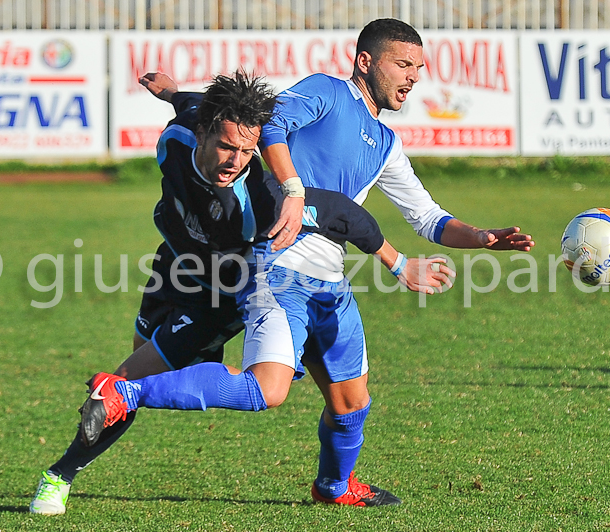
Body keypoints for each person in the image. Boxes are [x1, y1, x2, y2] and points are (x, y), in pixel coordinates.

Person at [76, 18, 534, 508]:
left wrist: (482, 237)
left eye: (419, 67)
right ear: (365, 62)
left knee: (352, 402)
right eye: (403, 64)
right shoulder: (328, 93)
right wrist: (292, 190)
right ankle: (125, 392)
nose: (413, 76)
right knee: (266, 389)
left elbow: (428, 217)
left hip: (329, 279)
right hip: (277, 265)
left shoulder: (385, 143)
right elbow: (268, 122)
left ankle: (334, 487)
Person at [29, 70, 446, 515]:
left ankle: (59, 474)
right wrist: (169, 90)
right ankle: (65, 471)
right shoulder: (178, 137)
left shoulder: (261, 197)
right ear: (205, 132)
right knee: (128, 377)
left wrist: (398, 263)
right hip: (172, 270)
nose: (236, 160)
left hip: (224, 294)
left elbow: (345, 214)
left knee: (131, 383)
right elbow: (188, 102)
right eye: (228, 147)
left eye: (249, 151)